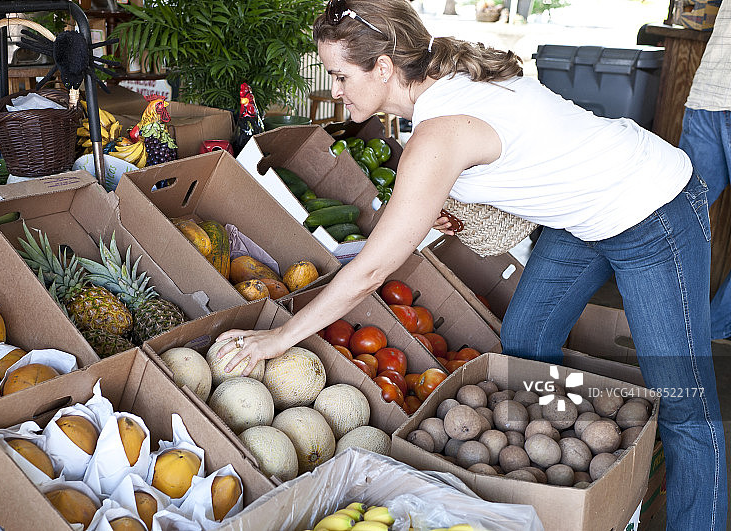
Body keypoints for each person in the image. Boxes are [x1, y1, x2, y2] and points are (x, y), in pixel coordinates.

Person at [216, 0, 727, 527]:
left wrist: (280, 337)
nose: (336, 90)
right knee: (526, 340)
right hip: (583, 219)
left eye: (341, 75)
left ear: (384, 67)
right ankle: (564, 471)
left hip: (652, 210)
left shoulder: (436, 133)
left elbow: (371, 270)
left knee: (685, 405)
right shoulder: (446, 81)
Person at [679, 0, 731, 341]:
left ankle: (662, 319)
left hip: (710, 91)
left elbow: (700, 13)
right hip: (710, 96)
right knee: (674, 217)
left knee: (674, 217)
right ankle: (712, 328)